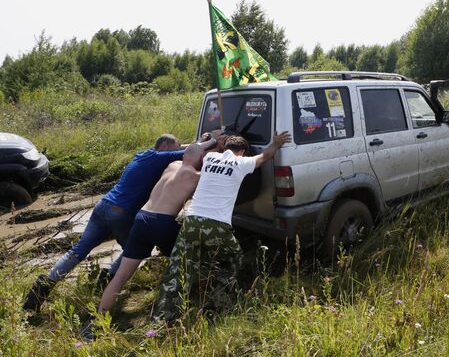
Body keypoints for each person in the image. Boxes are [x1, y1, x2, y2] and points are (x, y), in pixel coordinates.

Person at [23, 134, 187, 313]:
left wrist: (186, 144)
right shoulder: (159, 157)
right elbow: (188, 153)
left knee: (78, 250)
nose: (177, 152)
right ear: (165, 146)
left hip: (103, 205)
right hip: (121, 213)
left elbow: (183, 148)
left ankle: (40, 292)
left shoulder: (144, 155)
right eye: (175, 148)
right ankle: (107, 282)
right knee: (133, 251)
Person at [153, 131, 292, 321]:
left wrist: (213, 138)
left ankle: (162, 317)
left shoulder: (210, 157)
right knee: (234, 259)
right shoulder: (243, 163)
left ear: (224, 148)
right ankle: (218, 301)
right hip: (216, 225)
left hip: (191, 221)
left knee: (179, 269)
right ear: (242, 152)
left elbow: (206, 149)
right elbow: (266, 155)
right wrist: (276, 142)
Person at [95, 144, 205, 316]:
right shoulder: (197, 176)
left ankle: (97, 321)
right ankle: (184, 304)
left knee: (121, 276)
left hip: (141, 219)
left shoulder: (171, 165)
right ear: (201, 160)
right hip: (163, 222)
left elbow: (190, 155)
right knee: (186, 262)